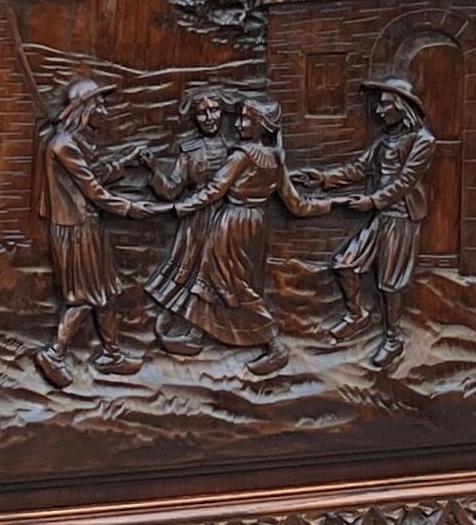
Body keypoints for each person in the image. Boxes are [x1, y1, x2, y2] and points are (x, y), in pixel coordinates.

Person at [167, 94, 325, 373]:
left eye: (244, 119)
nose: (237, 124)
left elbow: (216, 189)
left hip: (232, 224)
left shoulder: (241, 156)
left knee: (231, 282)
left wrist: (182, 207)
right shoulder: (276, 158)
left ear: (261, 125)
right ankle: (198, 334)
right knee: (218, 278)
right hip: (257, 225)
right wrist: (328, 205)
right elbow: (296, 204)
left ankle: (275, 345)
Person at [32, 77, 154, 390]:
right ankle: (54, 354)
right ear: (84, 109)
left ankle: (111, 353)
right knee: (84, 297)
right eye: (99, 103)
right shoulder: (63, 146)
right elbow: (94, 190)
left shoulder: (74, 143)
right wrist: (130, 208)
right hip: (76, 231)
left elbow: (94, 173)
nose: (104, 109)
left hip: (87, 226)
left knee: (106, 292)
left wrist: (127, 161)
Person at [313, 76, 436, 370]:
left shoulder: (423, 141)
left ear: (401, 107)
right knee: (345, 263)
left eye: (384, 105)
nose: (378, 112)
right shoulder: (384, 142)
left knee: (390, 283)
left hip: (401, 217)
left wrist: (372, 201)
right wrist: (324, 179)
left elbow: (406, 182)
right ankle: (356, 315)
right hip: (382, 216)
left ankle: (393, 339)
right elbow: (360, 168)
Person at [143, 86, 236, 350]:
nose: (209, 118)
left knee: (219, 277)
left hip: (228, 220)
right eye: (202, 113)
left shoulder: (236, 148)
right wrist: (153, 170)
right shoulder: (190, 151)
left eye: (214, 110)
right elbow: (172, 190)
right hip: (197, 221)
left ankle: (208, 331)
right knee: (189, 272)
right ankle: (172, 325)